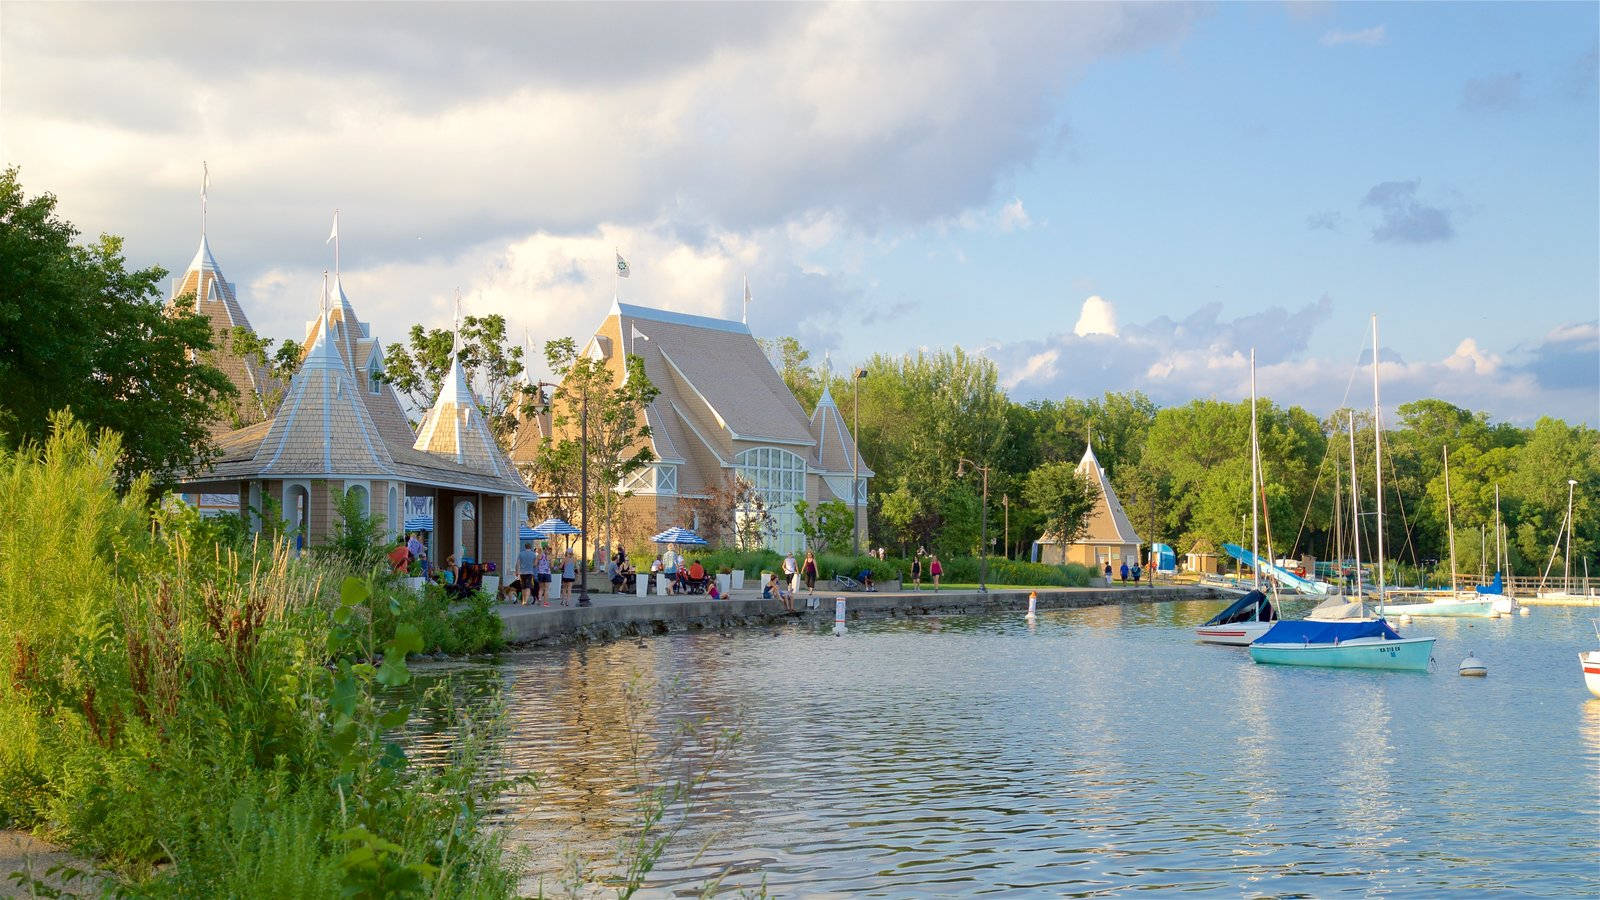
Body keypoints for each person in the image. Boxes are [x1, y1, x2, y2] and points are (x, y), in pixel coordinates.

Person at [515, 541, 538, 606]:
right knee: (528, 587)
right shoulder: (533, 554)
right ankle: (526, 601)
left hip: (522, 573)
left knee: (523, 587)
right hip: (530, 573)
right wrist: (531, 565)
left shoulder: (521, 554)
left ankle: (523, 601)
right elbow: (535, 564)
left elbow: (517, 564)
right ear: (530, 547)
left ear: (525, 547)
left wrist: (517, 572)